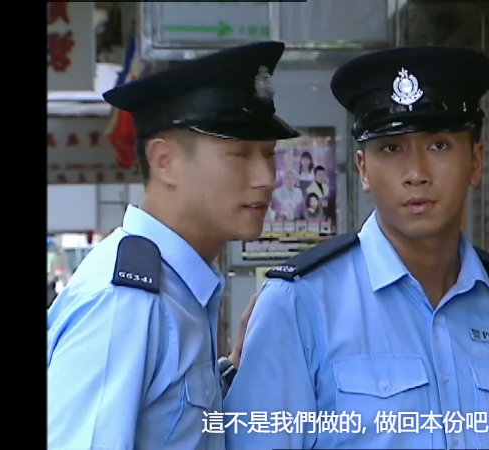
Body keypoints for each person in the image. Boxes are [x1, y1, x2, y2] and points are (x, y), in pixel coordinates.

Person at [224, 46, 489, 450]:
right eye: (392, 148)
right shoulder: (299, 306)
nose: (416, 173)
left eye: (439, 146)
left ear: (476, 162)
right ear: (363, 169)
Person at [47, 41, 300, 450]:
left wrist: (232, 373)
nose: (266, 178)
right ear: (164, 161)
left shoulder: (178, 288)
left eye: (269, 155)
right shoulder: (125, 303)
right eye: (240, 155)